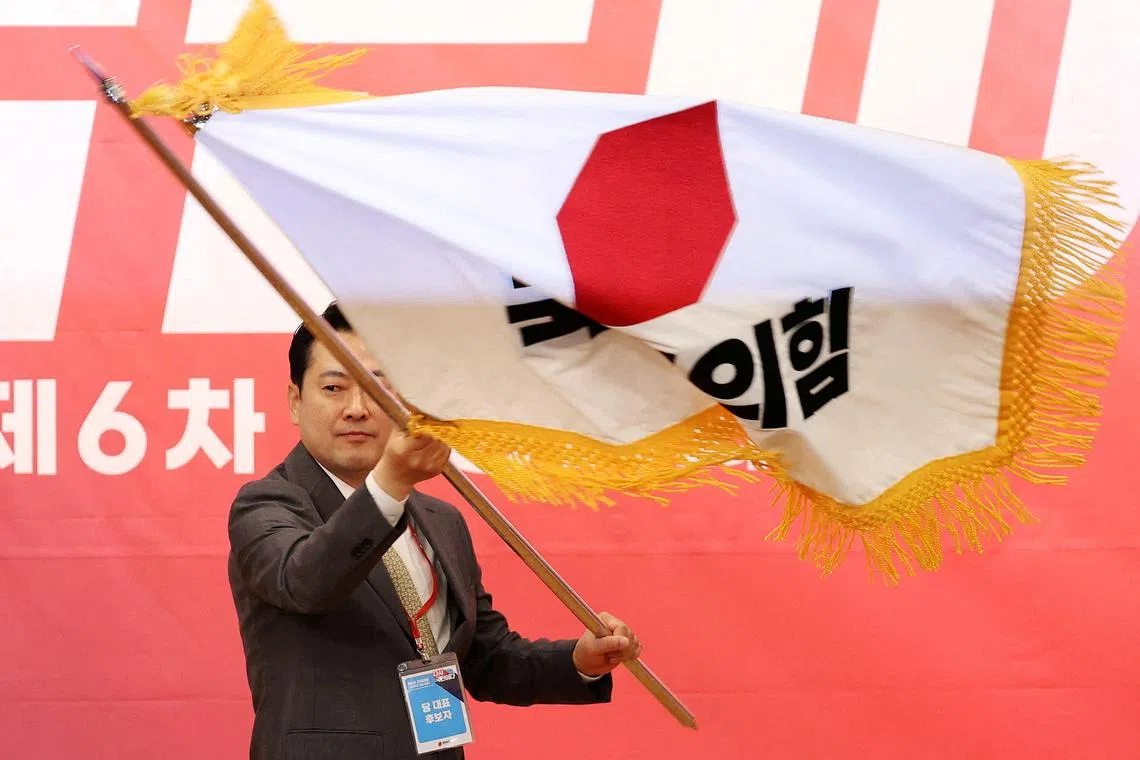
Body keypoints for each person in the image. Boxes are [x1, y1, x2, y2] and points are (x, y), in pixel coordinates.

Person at [227, 302, 642, 760]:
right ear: (294, 400)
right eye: (333, 388)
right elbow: (308, 581)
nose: (357, 408)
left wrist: (578, 661)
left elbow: (486, 657)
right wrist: (391, 483)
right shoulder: (266, 504)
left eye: (377, 387)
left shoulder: (440, 519)